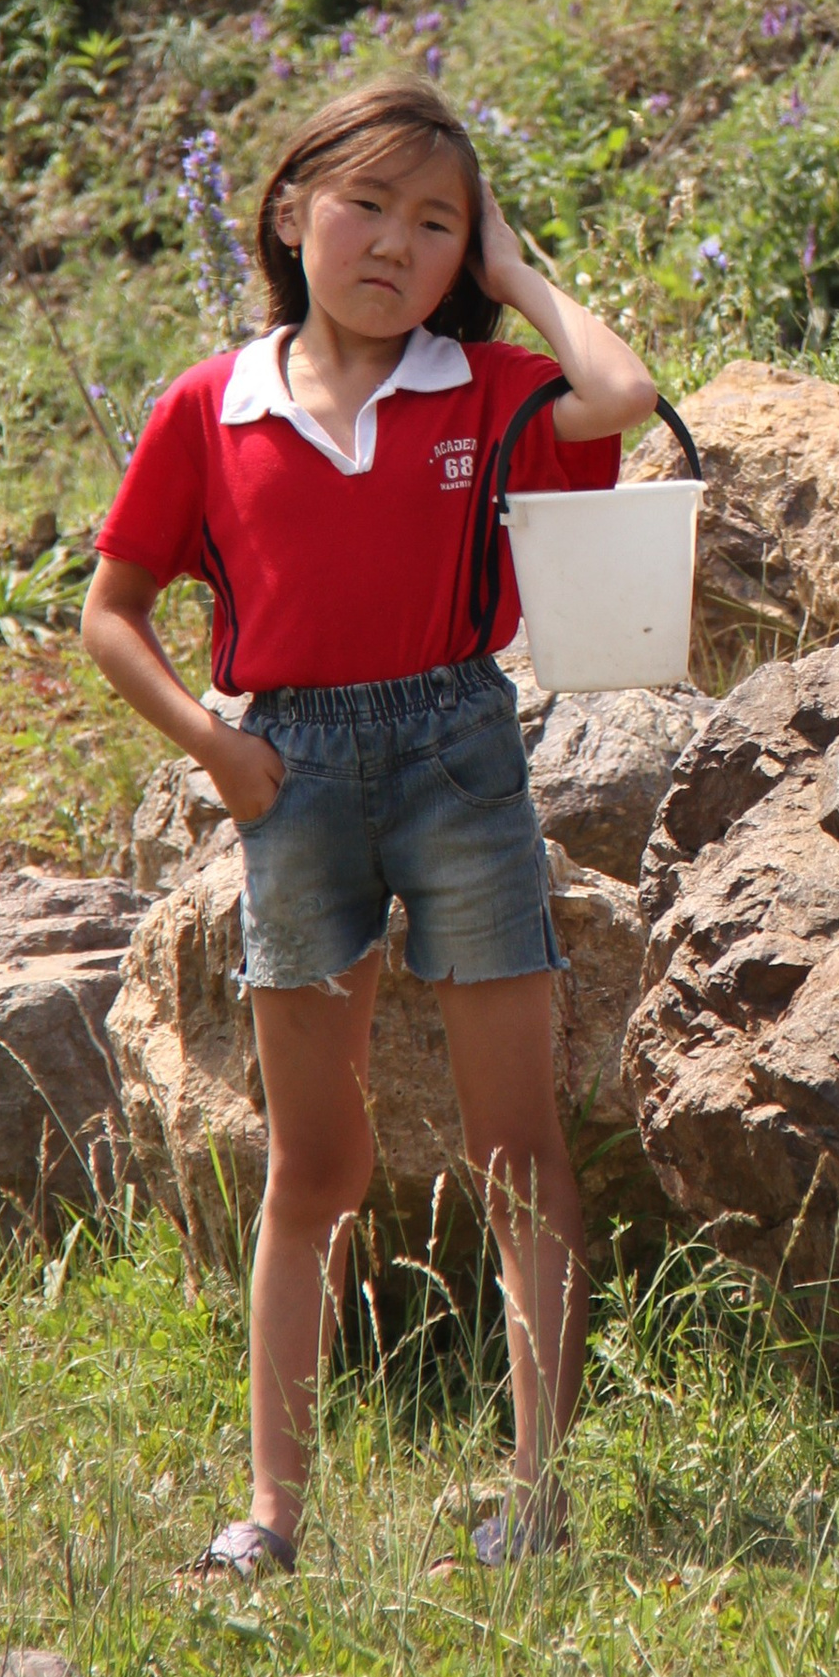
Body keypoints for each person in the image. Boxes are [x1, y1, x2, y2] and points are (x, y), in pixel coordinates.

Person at [83, 77, 660, 1581]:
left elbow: (619, 398)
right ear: (289, 213)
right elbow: (113, 609)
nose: (397, 244)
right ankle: (272, 1510)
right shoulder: (214, 406)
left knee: (515, 1145)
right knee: (314, 1162)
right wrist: (213, 746)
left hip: (462, 749)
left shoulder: (478, 390)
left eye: (439, 223)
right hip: (292, 774)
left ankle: (533, 1499)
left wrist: (521, 274)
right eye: (368, 206)